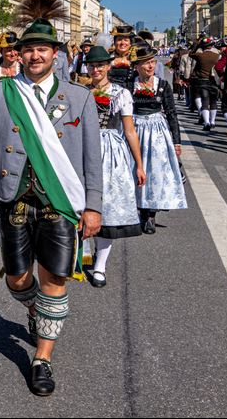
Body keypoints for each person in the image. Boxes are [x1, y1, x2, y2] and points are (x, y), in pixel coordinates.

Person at [0, 0, 103, 397]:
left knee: (55, 277)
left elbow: (92, 158)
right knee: (17, 278)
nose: (35, 56)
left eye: (42, 49)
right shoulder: (1, 92)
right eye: (28, 49)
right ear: (20, 54)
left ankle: (42, 358)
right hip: (13, 197)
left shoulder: (79, 97)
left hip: (59, 201)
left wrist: (94, 205)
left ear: (55, 54)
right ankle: (35, 311)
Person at [82, 44, 145, 287]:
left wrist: (139, 164)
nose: (95, 69)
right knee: (80, 202)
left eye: (100, 65)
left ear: (109, 66)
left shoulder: (121, 93)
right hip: (84, 147)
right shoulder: (81, 91)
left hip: (110, 152)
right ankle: (83, 252)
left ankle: (100, 265)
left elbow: (129, 131)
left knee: (107, 207)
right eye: (91, 65)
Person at [131, 42, 186, 233]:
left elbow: (171, 113)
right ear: (136, 66)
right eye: (146, 63)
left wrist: (176, 142)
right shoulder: (129, 86)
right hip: (134, 130)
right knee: (134, 170)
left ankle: (150, 216)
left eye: (153, 62)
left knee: (155, 172)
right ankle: (139, 209)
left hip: (156, 132)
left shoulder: (162, 86)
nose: (151, 66)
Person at [191, 37, 221, 130]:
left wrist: (197, 45)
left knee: (205, 102)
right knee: (213, 102)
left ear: (203, 48)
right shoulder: (217, 56)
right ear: (211, 46)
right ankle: (213, 122)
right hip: (214, 81)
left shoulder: (200, 55)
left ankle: (207, 123)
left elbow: (191, 54)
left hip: (202, 81)